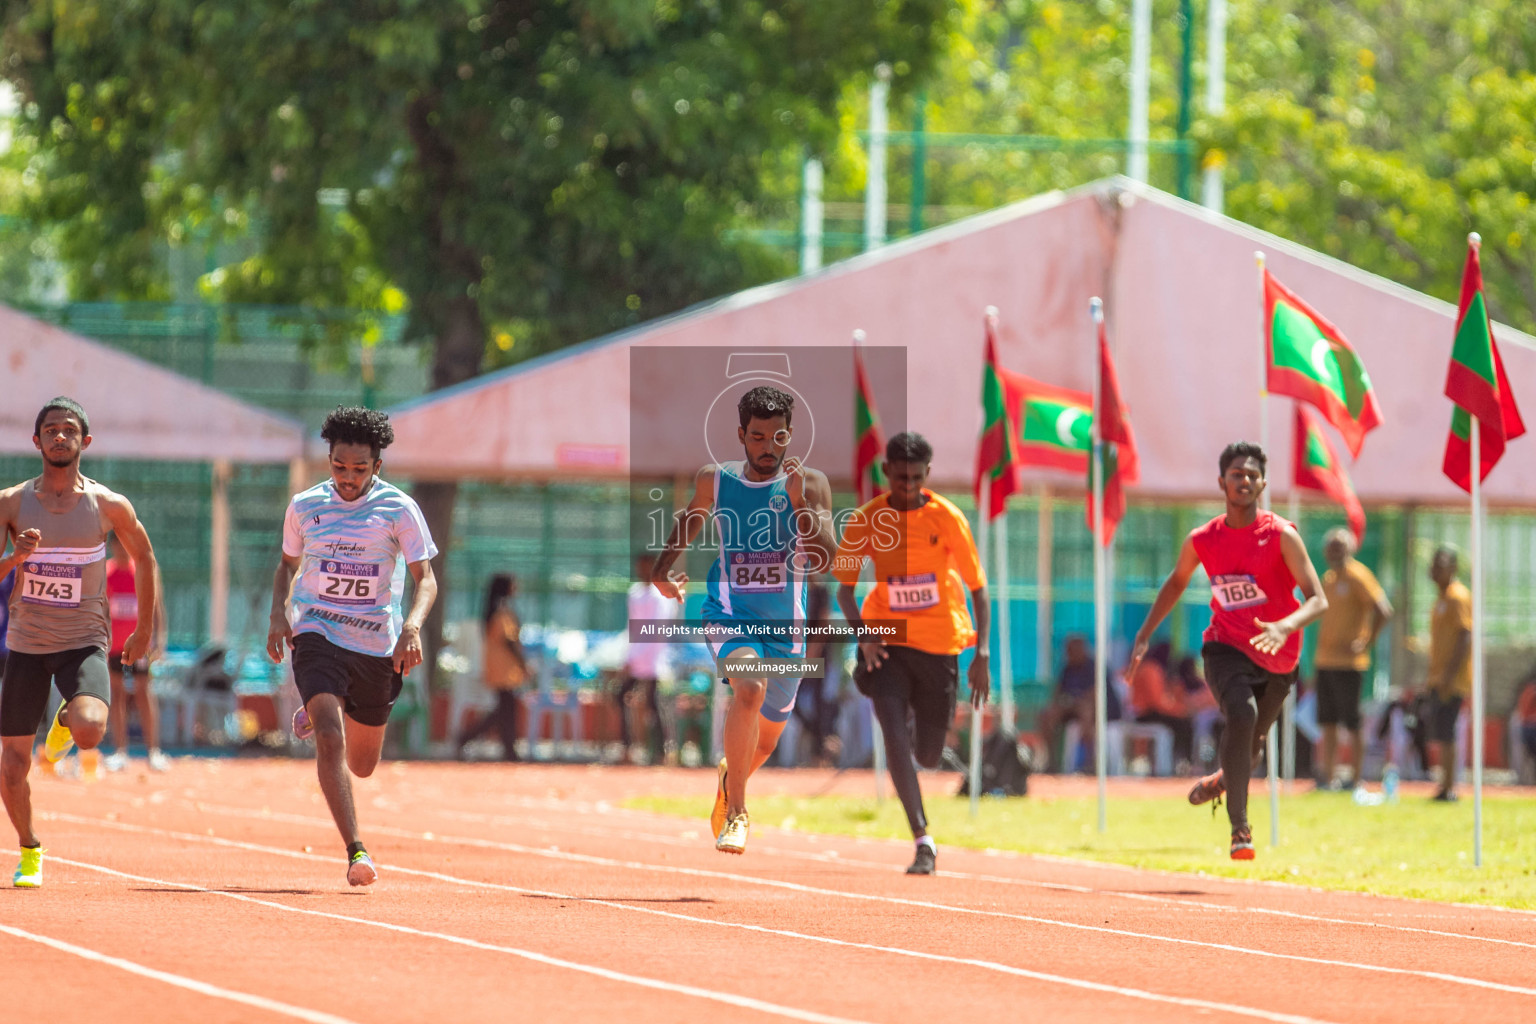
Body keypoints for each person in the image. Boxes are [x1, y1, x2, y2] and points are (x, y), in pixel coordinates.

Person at [651, 385, 835, 855]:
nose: (768, 448)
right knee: (748, 688)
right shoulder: (715, 480)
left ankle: (730, 781)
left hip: (786, 631)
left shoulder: (809, 482)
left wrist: (803, 509)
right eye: (757, 437)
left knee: (765, 744)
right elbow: (692, 517)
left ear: (790, 435)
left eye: (777, 438)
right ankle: (738, 813)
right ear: (741, 435)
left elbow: (831, 561)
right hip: (728, 613)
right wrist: (661, 568)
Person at [1125, 441, 1327, 860]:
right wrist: (1145, 633)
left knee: (1251, 746)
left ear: (1263, 484)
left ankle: (1222, 779)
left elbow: (1317, 598)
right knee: (1241, 713)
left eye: (1253, 475)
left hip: (1279, 653)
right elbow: (1177, 581)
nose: (1245, 481)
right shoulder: (1204, 539)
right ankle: (1240, 828)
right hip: (1226, 646)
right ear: (1222, 482)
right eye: (1237, 474)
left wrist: (1285, 625)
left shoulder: (1281, 536)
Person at [267, 406, 438, 886]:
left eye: (359, 469)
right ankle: (355, 851)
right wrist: (279, 614)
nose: (347, 478)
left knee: (361, 765)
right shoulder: (304, 506)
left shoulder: (399, 509)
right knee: (329, 737)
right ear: (329, 460)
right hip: (317, 632)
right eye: (339, 467)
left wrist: (413, 627)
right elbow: (286, 565)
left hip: (375, 645)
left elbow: (426, 581)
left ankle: (329, 706)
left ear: (377, 467)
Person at [1, 397, 160, 887]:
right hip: (26, 642)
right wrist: (14, 555)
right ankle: (30, 848)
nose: (59, 437)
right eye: (50, 430)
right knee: (12, 767)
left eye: (69, 430)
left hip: (85, 640)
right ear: (36, 441)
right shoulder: (10, 503)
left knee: (91, 727)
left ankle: (67, 723)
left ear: (85, 442)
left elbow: (146, 557)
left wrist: (146, 628)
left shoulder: (108, 505)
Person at [832, 432, 989, 875]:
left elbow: (978, 589)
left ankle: (920, 714)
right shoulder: (866, 520)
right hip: (886, 639)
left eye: (916, 478)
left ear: (928, 475)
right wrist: (864, 634)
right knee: (892, 731)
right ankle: (923, 839)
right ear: (886, 474)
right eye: (900, 478)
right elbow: (844, 590)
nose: (907, 486)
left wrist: (984, 654)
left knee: (928, 755)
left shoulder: (948, 518)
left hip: (939, 644)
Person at [1311, 527, 1392, 790]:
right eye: (1331, 547)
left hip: (1350, 664)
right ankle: (1329, 777)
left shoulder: (1359, 576)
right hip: (1325, 661)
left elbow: (1383, 610)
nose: (1334, 552)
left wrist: (1367, 642)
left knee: (1353, 722)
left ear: (1350, 549)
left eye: (1340, 547)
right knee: (1328, 722)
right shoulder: (1328, 578)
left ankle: (1357, 779)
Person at [103, 534, 170, 773]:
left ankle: (153, 752)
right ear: (111, 546)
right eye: (117, 544)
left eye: (125, 544)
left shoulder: (144, 569)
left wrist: (160, 640)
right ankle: (120, 752)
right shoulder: (105, 572)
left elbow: (157, 606)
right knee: (117, 693)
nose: (122, 549)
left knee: (143, 692)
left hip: (140, 644)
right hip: (113, 646)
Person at [456, 574, 529, 762]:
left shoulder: (493, 609)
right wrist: (523, 663)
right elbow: (510, 641)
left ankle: (507, 748)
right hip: (505, 668)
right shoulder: (502, 611)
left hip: (498, 667)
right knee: (505, 709)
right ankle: (470, 737)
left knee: (504, 709)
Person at [1424, 546, 1471, 802]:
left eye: (1440, 564)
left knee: (1447, 731)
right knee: (1441, 732)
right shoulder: (1441, 598)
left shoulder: (1458, 597)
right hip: (1438, 677)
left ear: (1453, 568)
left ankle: (1449, 787)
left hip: (1452, 680)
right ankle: (1444, 785)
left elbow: (1465, 635)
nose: (1434, 570)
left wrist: (1449, 676)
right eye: (1433, 564)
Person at [619, 555, 674, 764]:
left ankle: (663, 752)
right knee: (621, 696)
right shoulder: (634, 593)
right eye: (641, 566)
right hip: (635, 660)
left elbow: (658, 631)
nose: (643, 570)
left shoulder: (660, 596)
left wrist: (645, 658)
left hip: (654, 660)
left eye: (648, 566)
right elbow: (632, 626)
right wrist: (629, 657)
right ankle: (628, 748)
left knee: (655, 704)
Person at [1035, 636, 1118, 773]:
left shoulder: (1094, 667)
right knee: (1047, 715)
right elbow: (1057, 694)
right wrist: (1063, 704)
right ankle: (1050, 762)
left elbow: (1094, 696)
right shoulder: (1068, 668)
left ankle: (1090, 762)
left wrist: (1072, 701)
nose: (1069, 654)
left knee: (1086, 711)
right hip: (1073, 709)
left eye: (1072, 650)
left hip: (1104, 713)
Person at [1126, 640, 1194, 770]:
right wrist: (1179, 711)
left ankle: (1178, 762)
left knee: (1182, 722)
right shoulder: (1151, 669)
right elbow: (1156, 702)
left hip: (1149, 711)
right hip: (1145, 714)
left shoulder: (1152, 668)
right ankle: (1182, 763)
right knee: (1184, 724)